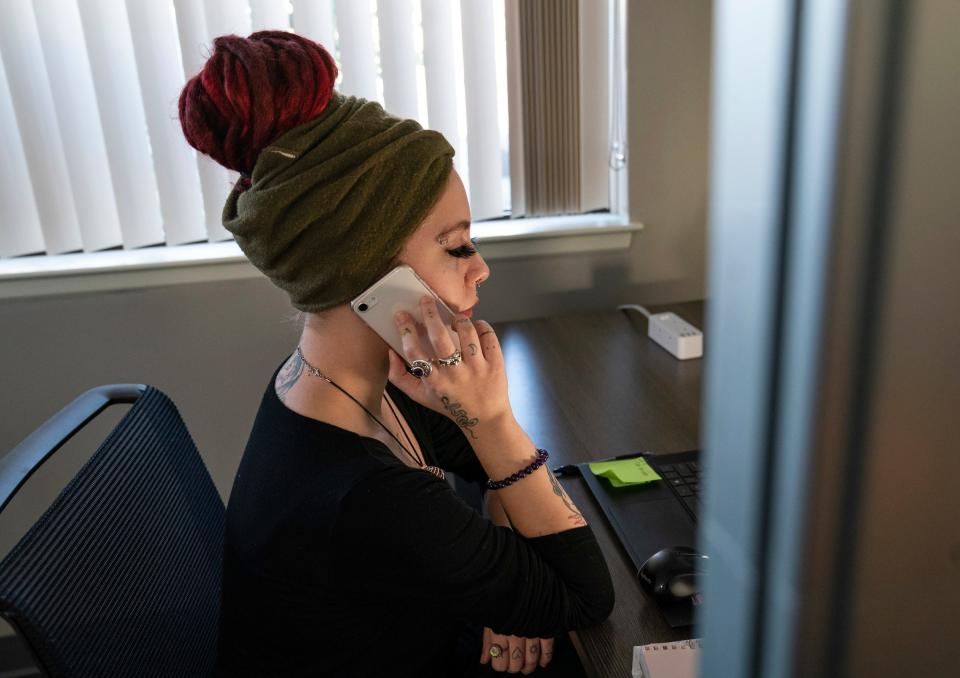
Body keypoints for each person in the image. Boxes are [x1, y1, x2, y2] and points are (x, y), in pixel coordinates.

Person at [178, 31, 614, 677]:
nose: (481, 269)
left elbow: (487, 477)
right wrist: (493, 423)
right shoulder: (365, 498)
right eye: (457, 246)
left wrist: (508, 590)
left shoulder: (341, 381)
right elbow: (585, 597)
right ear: (369, 276)